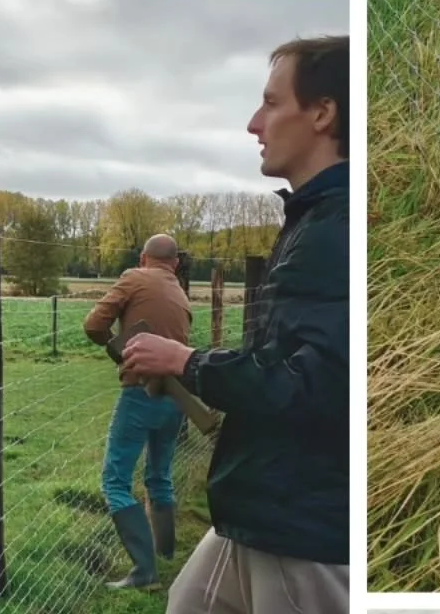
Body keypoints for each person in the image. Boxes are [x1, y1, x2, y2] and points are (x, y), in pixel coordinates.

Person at [122, 35, 350, 613]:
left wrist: (185, 362)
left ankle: (146, 557)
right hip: (260, 506)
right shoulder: (312, 218)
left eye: (271, 104)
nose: (254, 123)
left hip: (303, 528)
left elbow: (315, 384)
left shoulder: (335, 231)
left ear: (323, 113)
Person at [82, 233, 195, 591]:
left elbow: (93, 325)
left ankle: (144, 571)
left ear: (143, 258)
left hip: (140, 392)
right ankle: (165, 554)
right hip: (176, 396)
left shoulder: (133, 277)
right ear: (175, 264)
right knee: (159, 476)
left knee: (115, 481)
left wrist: (116, 348)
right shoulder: (180, 291)